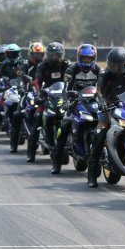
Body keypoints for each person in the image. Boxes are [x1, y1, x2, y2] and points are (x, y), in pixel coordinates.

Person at [86, 47, 125, 187]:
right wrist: (101, 103)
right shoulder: (104, 74)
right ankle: (92, 176)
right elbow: (99, 91)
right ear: (109, 63)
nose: (118, 68)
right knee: (99, 137)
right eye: (114, 65)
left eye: (121, 65)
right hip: (108, 109)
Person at [50, 44, 101, 174]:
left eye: (89, 59)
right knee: (64, 127)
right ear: (79, 58)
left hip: (92, 103)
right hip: (74, 103)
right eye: (84, 58)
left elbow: (103, 89)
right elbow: (65, 88)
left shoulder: (98, 70)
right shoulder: (71, 69)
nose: (86, 61)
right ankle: (56, 164)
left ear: (94, 58)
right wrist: (66, 101)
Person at [27, 41, 70, 163]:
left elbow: (73, 80)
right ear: (48, 55)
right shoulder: (42, 65)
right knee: (38, 119)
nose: (55, 57)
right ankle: (31, 153)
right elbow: (36, 81)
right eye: (52, 55)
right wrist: (37, 95)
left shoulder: (66, 64)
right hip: (47, 95)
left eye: (57, 55)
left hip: (63, 96)